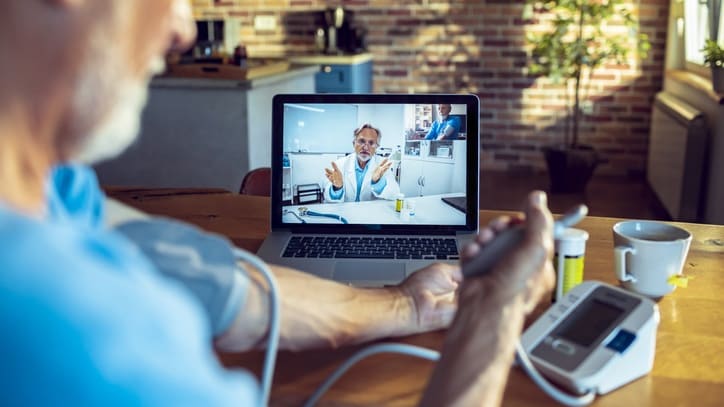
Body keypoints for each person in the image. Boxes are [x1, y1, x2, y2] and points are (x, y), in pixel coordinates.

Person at [0, 1, 555, 406]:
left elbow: (219, 284)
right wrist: (493, 313)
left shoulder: (56, 192)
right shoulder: (71, 327)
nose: (183, 29)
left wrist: (408, 306)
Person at [323, 123, 401, 202]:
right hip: (346, 212)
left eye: (371, 143)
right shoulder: (340, 165)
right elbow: (327, 198)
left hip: (370, 213)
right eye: (361, 141)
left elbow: (395, 194)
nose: (366, 147)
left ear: (377, 147)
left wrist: (378, 182)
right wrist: (337, 188)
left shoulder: (382, 166)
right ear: (354, 143)